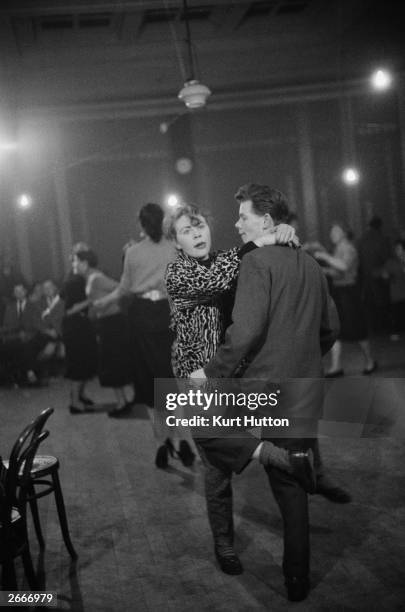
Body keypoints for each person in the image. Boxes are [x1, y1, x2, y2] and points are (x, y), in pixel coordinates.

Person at [190, 184, 340, 602]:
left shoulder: (256, 262)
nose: (236, 224)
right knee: (290, 488)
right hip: (305, 385)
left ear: (266, 221)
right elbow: (331, 330)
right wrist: (305, 358)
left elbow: (246, 332)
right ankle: (297, 579)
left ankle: (273, 457)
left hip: (261, 386)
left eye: (243, 216)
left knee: (200, 425)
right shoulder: (310, 262)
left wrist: (213, 373)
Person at [94, 203, 194, 467]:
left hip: (141, 320)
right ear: (162, 222)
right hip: (166, 315)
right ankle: (182, 439)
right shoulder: (174, 248)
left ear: (141, 224)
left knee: (151, 389)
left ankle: (162, 444)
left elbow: (124, 291)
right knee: (171, 385)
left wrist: (102, 303)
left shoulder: (133, 252)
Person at [73, 249, 132, 415]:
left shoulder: (96, 278)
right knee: (113, 363)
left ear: (84, 263)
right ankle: (125, 401)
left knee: (114, 363)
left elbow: (121, 289)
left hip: (114, 323)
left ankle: (123, 403)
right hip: (107, 323)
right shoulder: (91, 278)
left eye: (75, 261)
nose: (73, 265)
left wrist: (105, 302)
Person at [314, 222, 377, 376]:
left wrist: (324, 256)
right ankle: (336, 367)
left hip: (350, 294)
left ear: (343, 233)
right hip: (340, 293)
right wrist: (323, 270)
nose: (331, 234)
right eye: (331, 232)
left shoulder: (349, 248)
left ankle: (370, 361)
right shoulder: (338, 249)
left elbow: (343, 267)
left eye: (335, 231)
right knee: (335, 330)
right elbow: (338, 273)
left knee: (358, 330)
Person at [61, 243, 98, 414]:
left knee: (85, 363)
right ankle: (74, 402)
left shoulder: (79, 279)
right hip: (74, 327)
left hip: (81, 326)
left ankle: (79, 396)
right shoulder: (74, 281)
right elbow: (69, 310)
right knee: (78, 365)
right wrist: (90, 300)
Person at [0, 283, 49, 385]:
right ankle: (11, 377)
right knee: (7, 347)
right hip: (13, 336)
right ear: (14, 294)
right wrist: (15, 332)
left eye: (21, 291)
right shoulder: (10, 307)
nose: (19, 293)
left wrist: (26, 333)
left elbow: (37, 323)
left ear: (25, 292)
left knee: (27, 345)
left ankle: (29, 373)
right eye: (16, 292)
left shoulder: (33, 306)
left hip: (31, 335)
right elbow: (6, 325)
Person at [381, 239, 405, 340]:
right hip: (396, 293)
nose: (397, 251)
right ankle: (394, 331)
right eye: (396, 249)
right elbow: (384, 274)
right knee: (396, 312)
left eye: (399, 249)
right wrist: (386, 276)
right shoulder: (391, 262)